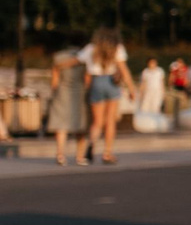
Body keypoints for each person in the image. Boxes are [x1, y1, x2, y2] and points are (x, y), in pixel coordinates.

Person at [77, 30, 132, 164]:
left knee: (97, 121)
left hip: (96, 81)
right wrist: (131, 88)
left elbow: (79, 61)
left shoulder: (91, 48)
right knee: (110, 120)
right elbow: (123, 69)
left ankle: (91, 143)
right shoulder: (117, 48)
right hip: (111, 81)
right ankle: (107, 153)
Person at [44, 48, 86, 166]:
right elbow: (88, 78)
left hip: (62, 91)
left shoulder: (58, 58)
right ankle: (80, 156)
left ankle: (60, 155)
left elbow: (54, 81)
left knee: (61, 123)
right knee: (80, 124)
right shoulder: (84, 56)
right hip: (79, 91)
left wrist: (53, 93)